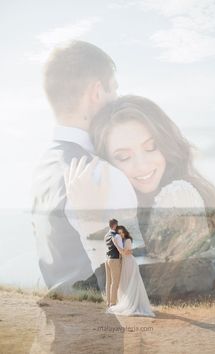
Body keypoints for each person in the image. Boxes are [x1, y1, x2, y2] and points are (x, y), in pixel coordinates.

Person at [31, 41, 139, 294]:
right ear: (97, 92)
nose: (117, 99)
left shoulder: (43, 169)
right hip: (107, 330)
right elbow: (131, 287)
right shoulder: (102, 176)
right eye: (114, 90)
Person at [88, 95, 215, 260]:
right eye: (124, 157)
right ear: (108, 164)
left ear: (166, 143)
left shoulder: (178, 198)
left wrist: (90, 223)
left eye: (151, 147)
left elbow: (154, 284)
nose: (141, 165)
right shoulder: (128, 208)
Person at [106, 225, 155, 317]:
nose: (121, 234)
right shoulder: (122, 240)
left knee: (131, 282)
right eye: (119, 233)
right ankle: (129, 302)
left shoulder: (127, 240)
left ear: (125, 232)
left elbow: (124, 252)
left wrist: (116, 244)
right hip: (125, 263)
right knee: (126, 283)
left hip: (129, 263)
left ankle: (133, 304)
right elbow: (125, 252)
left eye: (122, 232)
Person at [104, 219, 131, 307]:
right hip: (115, 260)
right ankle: (113, 303)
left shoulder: (106, 235)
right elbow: (121, 251)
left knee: (108, 282)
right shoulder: (117, 236)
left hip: (107, 260)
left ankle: (108, 302)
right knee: (115, 282)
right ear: (115, 225)